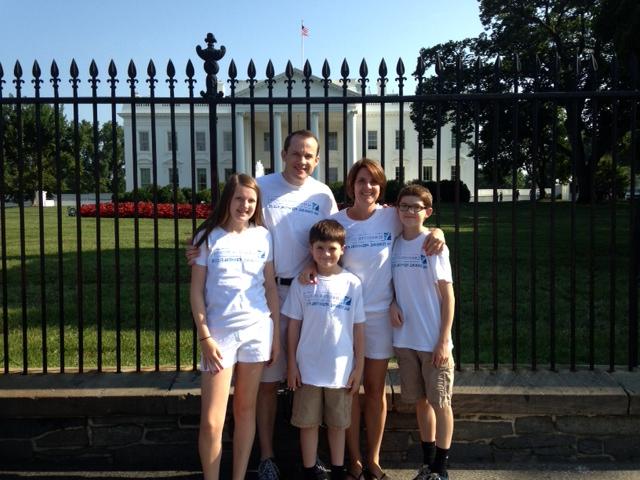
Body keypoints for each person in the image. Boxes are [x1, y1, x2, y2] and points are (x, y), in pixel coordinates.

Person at [187, 130, 337, 479]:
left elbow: (336, 233)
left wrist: (398, 218)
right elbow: (219, 241)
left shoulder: (323, 194)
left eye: (309, 155)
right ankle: (267, 457)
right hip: (259, 302)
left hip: (305, 292)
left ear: (317, 160)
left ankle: (311, 458)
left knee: (312, 376)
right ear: (283, 153)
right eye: (296, 153)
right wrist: (196, 253)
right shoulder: (263, 186)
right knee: (266, 385)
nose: (302, 160)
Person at [300, 159, 445, 480]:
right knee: (348, 389)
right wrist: (309, 268)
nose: (367, 187)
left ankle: (374, 459)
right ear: (350, 185)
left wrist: (438, 230)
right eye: (361, 181)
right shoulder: (336, 220)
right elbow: (320, 251)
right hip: (341, 318)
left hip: (379, 318)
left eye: (374, 182)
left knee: (375, 390)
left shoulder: (389, 217)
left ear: (381, 188)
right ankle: (353, 460)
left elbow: (417, 223)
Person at [189, 174, 280, 480]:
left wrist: (275, 336)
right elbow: (196, 291)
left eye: (251, 201)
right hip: (219, 336)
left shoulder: (263, 237)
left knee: (245, 411)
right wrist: (205, 337)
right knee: (212, 421)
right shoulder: (207, 237)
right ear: (228, 199)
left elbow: (270, 288)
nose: (245, 205)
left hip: (257, 331)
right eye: (239, 198)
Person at [284, 219, 366, 480]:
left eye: (332, 248)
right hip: (307, 369)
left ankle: (339, 470)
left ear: (343, 249)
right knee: (307, 423)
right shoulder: (302, 283)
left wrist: (359, 367)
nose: (326, 254)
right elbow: (293, 327)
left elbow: (358, 329)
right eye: (320, 248)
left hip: (340, 370)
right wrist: (291, 365)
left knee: (338, 424)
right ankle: (309, 470)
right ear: (311, 249)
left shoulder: (352, 283)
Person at [390, 184, 455, 480]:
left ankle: (442, 469)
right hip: (405, 340)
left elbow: (448, 296)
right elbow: (393, 283)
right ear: (396, 209)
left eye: (416, 207)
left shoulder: (433, 244)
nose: (409, 211)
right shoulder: (394, 244)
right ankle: (427, 464)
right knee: (419, 402)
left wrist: (443, 341)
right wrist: (391, 302)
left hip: (432, 341)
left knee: (440, 402)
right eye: (404, 206)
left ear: (427, 212)